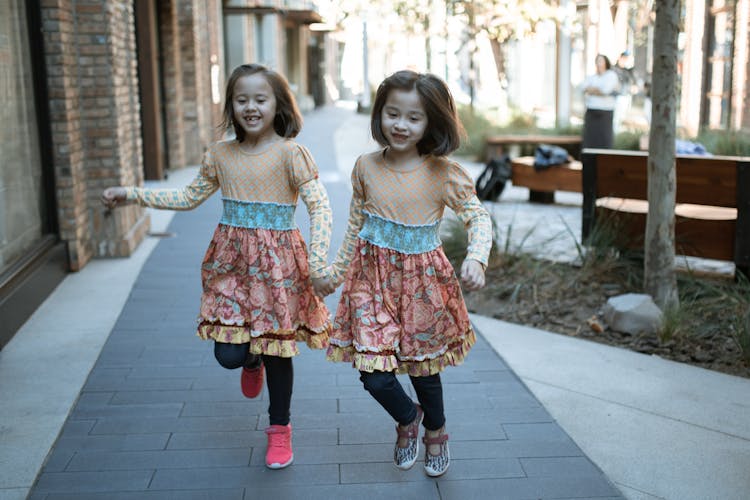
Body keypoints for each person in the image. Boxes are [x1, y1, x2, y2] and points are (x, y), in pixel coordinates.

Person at [100, 63, 333, 470]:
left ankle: (280, 429)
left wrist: (317, 261)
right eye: (241, 100)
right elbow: (188, 197)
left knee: (279, 350)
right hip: (231, 267)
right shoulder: (221, 154)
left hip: (278, 268)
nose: (250, 107)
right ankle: (250, 359)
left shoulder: (292, 153)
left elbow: (320, 205)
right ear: (231, 106)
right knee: (229, 355)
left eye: (260, 99)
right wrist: (132, 194)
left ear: (277, 103)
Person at [317, 70, 493, 477]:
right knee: (374, 374)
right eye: (392, 114)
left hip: (423, 286)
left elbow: (477, 217)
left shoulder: (442, 173)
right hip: (370, 282)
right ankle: (407, 417)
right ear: (379, 114)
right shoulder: (365, 167)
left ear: (431, 121)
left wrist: (477, 257)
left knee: (424, 371)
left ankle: (436, 429)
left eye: (414, 117)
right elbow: (355, 227)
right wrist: (335, 274)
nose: (401, 124)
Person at [582, 54, 619, 148]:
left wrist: (592, 90)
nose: (598, 63)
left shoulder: (611, 75)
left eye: (601, 61)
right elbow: (584, 88)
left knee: (604, 140)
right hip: (591, 111)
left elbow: (605, 91)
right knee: (590, 141)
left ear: (606, 62)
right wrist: (597, 90)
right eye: (597, 61)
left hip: (605, 113)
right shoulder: (592, 77)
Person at [612, 51, 636, 133]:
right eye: (625, 58)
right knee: (616, 118)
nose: (626, 61)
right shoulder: (614, 69)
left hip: (626, 96)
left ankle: (618, 133)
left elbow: (633, 82)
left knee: (622, 118)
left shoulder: (628, 70)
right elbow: (617, 85)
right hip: (618, 96)